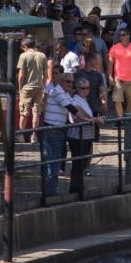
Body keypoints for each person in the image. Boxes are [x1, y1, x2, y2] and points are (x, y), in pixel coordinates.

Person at [40, 67, 84, 196]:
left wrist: (90, 118)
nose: (71, 84)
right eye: (68, 82)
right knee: (52, 163)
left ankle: (51, 192)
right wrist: (88, 119)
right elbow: (72, 109)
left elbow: (76, 107)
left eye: (72, 82)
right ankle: (49, 193)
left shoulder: (63, 93)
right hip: (52, 129)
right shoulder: (55, 91)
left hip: (58, 130)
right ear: (62, 81)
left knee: (56, 162)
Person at [67, 77, 104, 196]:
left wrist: (93, 119)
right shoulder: (75, 100)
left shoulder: (84, 99)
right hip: (77, 136)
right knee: (78, 163)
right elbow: (76, 116)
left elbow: (86, 116)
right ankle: (75, 189)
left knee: (83, 163)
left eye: (88, 88)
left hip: (87, 136)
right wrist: (93, 119)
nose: (85, 90)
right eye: (83, 88)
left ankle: (79, 188)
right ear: (77, 89)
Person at [17, 36, 48, 139]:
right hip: (39, 86)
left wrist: (20, 87)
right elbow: (45, 73)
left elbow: (21, 74)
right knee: (36, 112)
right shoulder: (42, 56)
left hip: (27, 86)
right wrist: (43, 86)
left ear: (25, 46)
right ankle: (34, 135)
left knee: (24, 112)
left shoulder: (24, 56)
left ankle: (21, 134)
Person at [75, 53, 108, 138]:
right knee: (81, 135)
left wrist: (104, 103)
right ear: (90, 60)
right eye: (95, 60)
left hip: (94, 108)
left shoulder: (98, 75)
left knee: (93, 136)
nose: (97, 62)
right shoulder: (77, 74)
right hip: (81, 108)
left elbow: (102, 90)